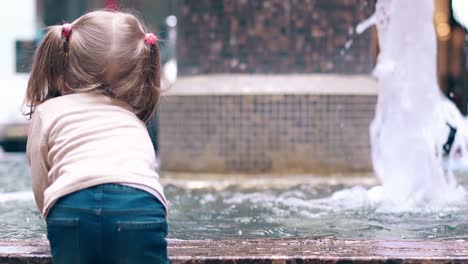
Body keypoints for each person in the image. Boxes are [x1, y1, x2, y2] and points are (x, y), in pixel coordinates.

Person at [24, 10, 168, 264]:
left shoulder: (48, 112)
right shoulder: (133, 120)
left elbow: (41, 181)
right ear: (138, 73)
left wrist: (53, 213)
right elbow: (146, 168)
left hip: (71, 206)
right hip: (139, 206)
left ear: (65, 63)